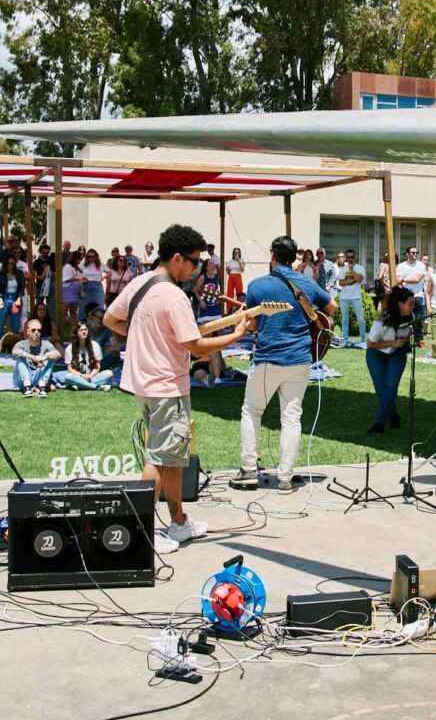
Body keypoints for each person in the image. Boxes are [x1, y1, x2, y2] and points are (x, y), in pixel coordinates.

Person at [105, 224, 250, 552]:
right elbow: (197, 348)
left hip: (144, 383)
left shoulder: (139, 283)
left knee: (173, 458)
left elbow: (111, 320)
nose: (197, 268)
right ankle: (140, 532)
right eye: (194, 261)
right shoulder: (174, 295)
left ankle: (179, 522)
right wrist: (238, 334)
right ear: (176, 258)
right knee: (159, 460)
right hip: (167, 386)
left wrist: (145, 335)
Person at [229, 235, 336, 494]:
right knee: (291, 418)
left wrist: (243, 322)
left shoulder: (257, 285)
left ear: (272, 256)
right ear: (295, 257)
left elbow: (252, 324)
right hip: (300, 359)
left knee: (252, 411)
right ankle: (285, 477)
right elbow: (331, 306)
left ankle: (248, 470)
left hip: (268, 357)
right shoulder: (307, 283)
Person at [365, 286, 415, 433]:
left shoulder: (410, 319)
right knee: (381, 389)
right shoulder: (381, 321)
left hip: (397, 353)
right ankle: (394, 416)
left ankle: (379, 423)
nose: (413, 307)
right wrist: (392, 343)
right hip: (376, 353)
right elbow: (370, 343)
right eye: (410, 304)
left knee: (391, 385)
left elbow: (407, 336)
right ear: (400, 304)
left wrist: (405, 341)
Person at [11, 318, 61, 396]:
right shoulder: (22, 344)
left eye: (39, 330)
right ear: (28, 331)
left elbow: (58, 354)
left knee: (51, 358)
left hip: (38, 376)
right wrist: (31, 357)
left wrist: (44, 357)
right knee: (20, 357)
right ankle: (27, 387)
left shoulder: (45, 344)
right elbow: (14, 351)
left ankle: (42, 386)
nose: (36, 332)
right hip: (22, 378)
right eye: (33, 330)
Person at [57, 321, 113, 390]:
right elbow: (70, 369)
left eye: (85, 330)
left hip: (92, 376)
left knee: (109, 373)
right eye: (81, 330)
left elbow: (97, 366)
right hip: (78, 376)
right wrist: (82, 376)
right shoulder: (69, 348)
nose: (84, 332)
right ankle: (97, 387)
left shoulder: (95, 345)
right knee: (69, 377)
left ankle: (79, 384)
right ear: (76, 333)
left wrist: (90, 376)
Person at [336, 248, 368, 347]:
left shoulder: (360, 268)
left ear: (355, 257)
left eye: (352, 257)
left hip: (356, 297)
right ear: (346, 258)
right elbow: (341, 283)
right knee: (344, 320)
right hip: (344, 297)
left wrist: (351, 270)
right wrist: (350, 281)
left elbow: (359, 279)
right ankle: (345, 339)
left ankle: (363, 339)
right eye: (348, 257)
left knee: (360, 319)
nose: (350, 259)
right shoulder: (342, 269)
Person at [0, 255, 27, 339]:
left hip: (15, 298)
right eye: (8, 263)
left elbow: (22, 288)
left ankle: (15, 344)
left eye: (12, 263)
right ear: (5, 264)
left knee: (16, 324)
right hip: (4, 298)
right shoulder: (0, 274)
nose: (10, 265)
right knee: (0, 323)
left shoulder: (19, 273)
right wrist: (0, 301)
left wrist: (18, 299)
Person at [396, 246, 429, 324]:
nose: (415, 254)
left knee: (418, 323)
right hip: (405, 296)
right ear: (407, 254)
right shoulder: (401, 266)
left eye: (417, 253)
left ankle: (418, 336)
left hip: (418, 296)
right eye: (413, 252)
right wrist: (410, 278)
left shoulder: (421, 265)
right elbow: (398, 280)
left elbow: (417, 279)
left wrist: (403, 278)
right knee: (404, 322)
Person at [60, 249, 84, 328]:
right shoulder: (68, 267)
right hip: (67, 291)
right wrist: (78, 279)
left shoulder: (77, 268)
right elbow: (66, 279)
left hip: (75, 291)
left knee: (73, 312)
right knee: (63, 311)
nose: (80, 260)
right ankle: (61, 328)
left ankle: (74, 329)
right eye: (79, 258)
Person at [79, 248, 106, 315]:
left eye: (93, 256)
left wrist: (103, 278)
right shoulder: (83, 265)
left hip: (97, 285)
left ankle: (99, 321)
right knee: (84, 305)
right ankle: (83, 321)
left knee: (99, 305)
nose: (91, 258)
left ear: (96, 257)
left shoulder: (100, 264)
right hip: (86, 285)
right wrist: (81, 279)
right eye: (89, 256)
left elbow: (110, 272)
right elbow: (77, 273)